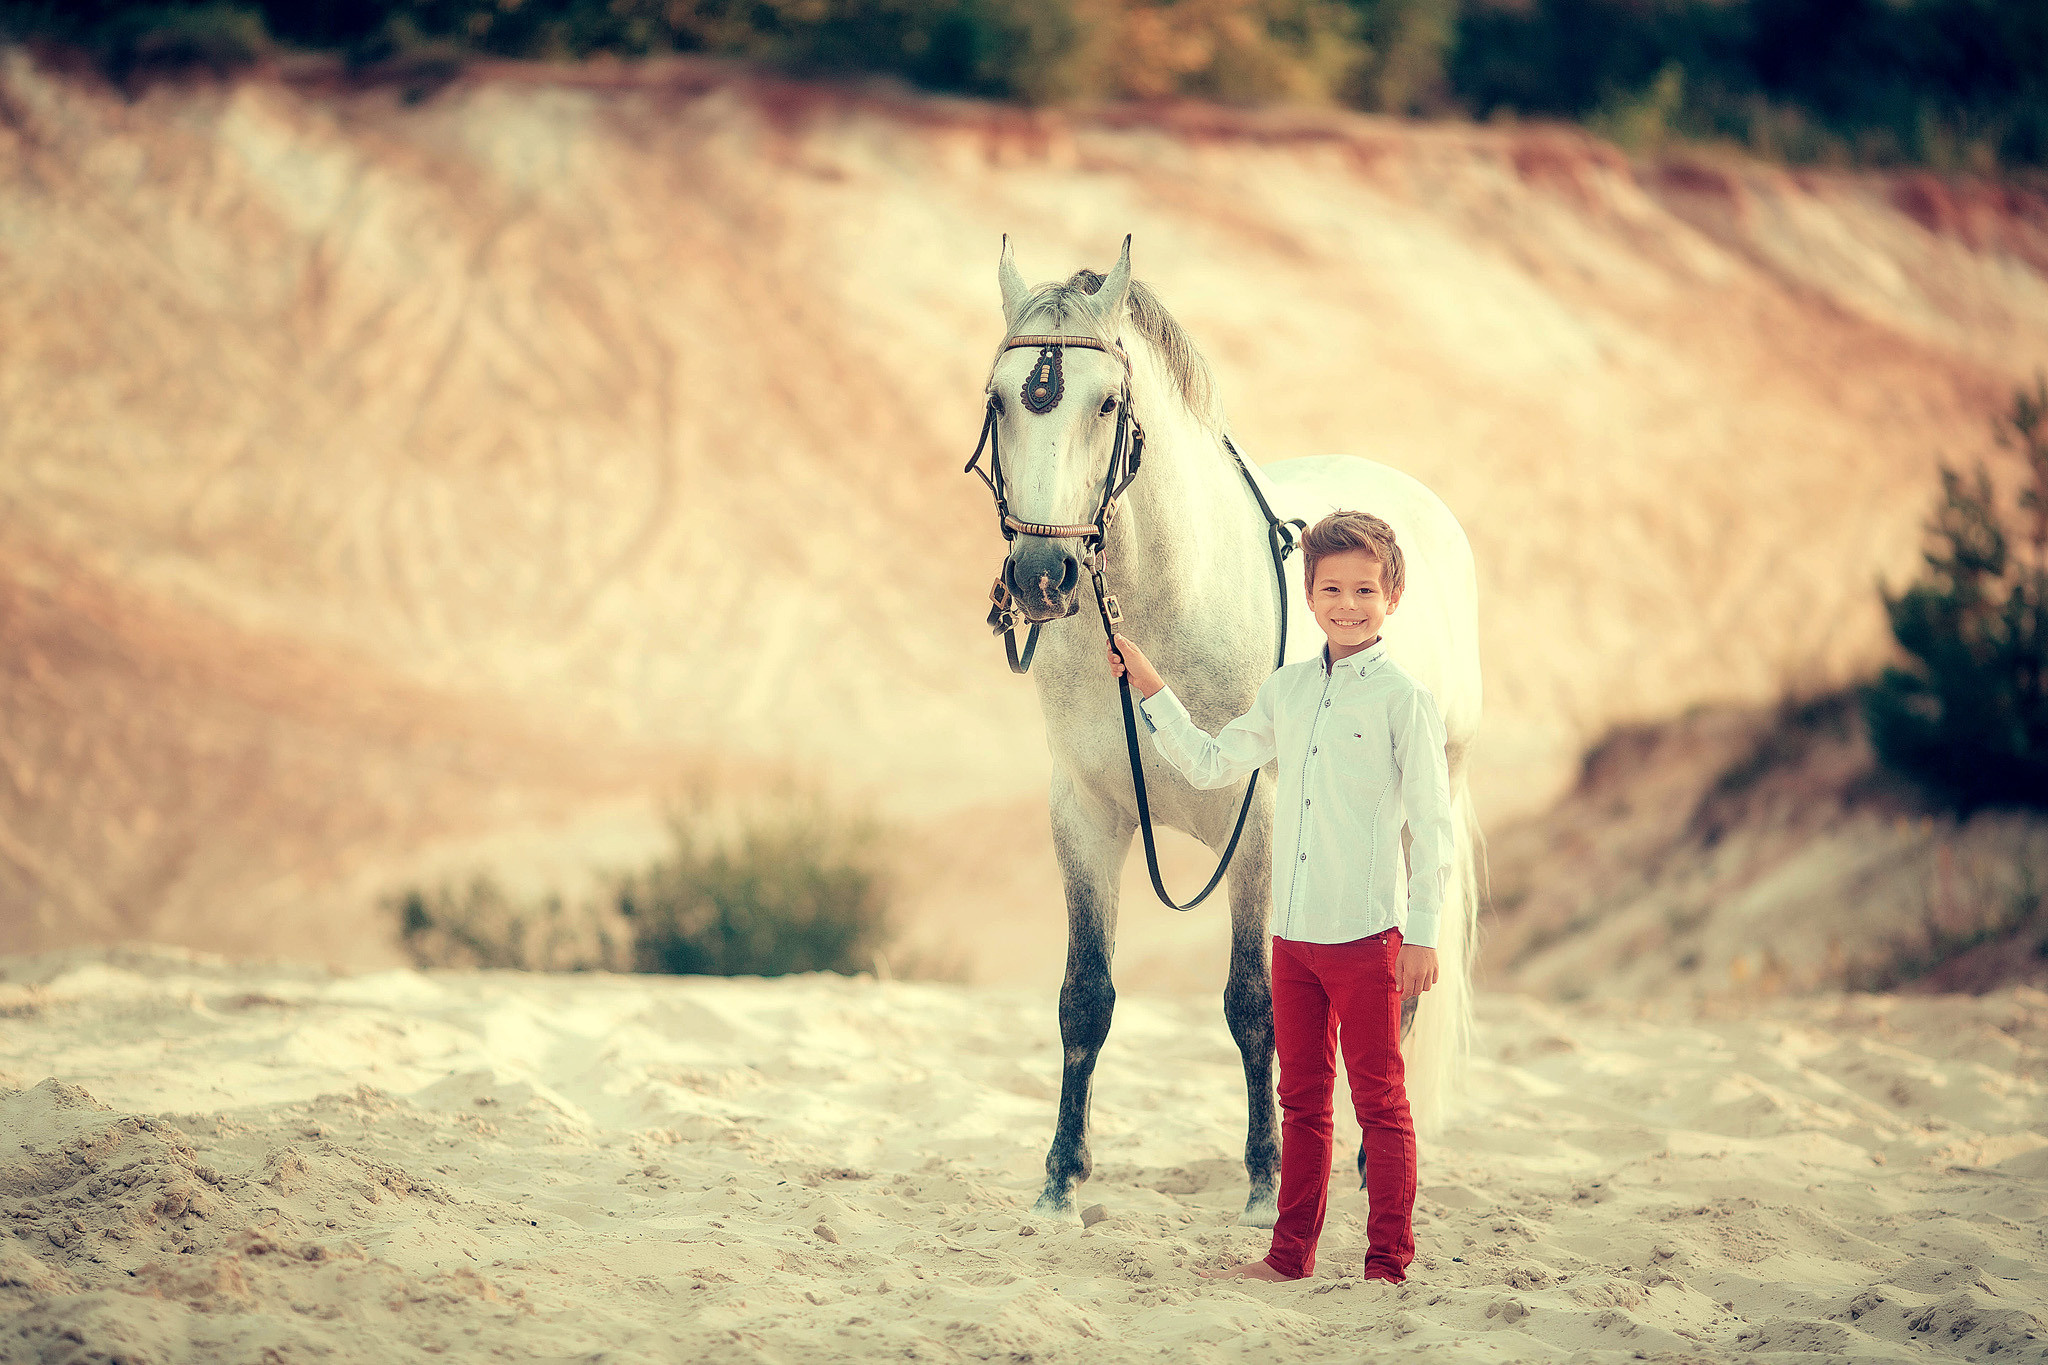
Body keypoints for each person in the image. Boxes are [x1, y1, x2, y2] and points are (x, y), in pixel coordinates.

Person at [1106, 509, 1453, 1285]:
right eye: (1332, 587)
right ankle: (1289, 1254)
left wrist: (1424, 934)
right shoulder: (1288, 691)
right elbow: (1208, 762)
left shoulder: (1406, 701)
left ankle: (1386, 1263)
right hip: (1292, 940)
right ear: (1309, 592)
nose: (1348, 603)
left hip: (1370, 939)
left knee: (1382, 1106)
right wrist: (1151, 685)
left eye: (1365, 588)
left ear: (1392, 595)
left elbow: (1433, 830)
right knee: (1300, 1103)